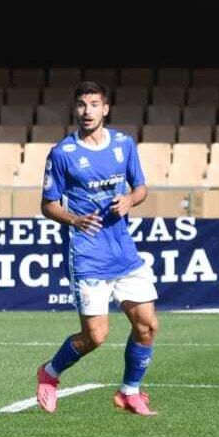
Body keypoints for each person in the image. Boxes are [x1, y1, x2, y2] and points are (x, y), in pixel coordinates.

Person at [35, 81, 160, 417]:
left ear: (105, 108)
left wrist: (130, 199)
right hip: (88, 255)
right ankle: (50, 372)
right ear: (74, 110)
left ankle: (129, 392)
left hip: (123, 250)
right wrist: (74, 219)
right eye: (81, 104)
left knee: (147, 324)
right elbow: (48, 205)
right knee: (96, 336)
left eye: (93, 104)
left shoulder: (123, 144)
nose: (87, 111)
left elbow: (142, 187)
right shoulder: (63, 153)